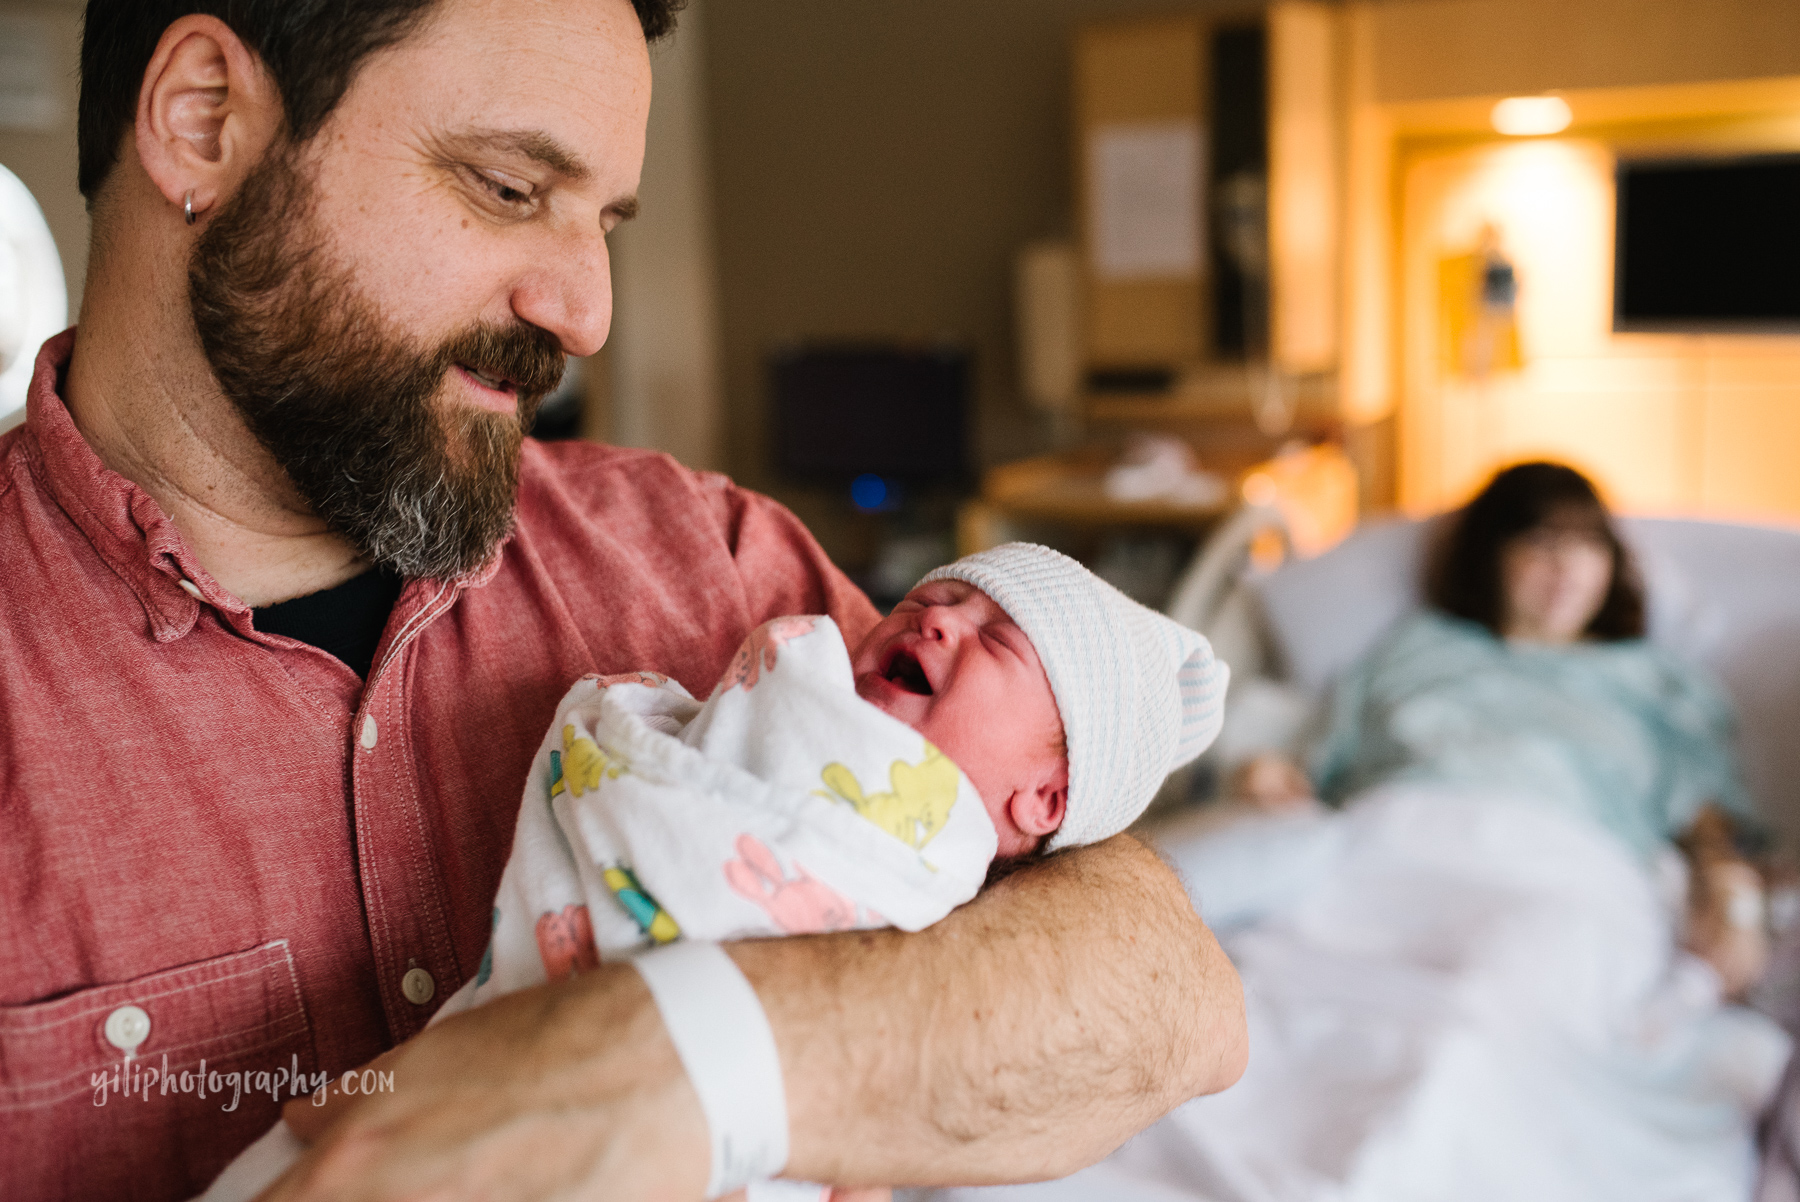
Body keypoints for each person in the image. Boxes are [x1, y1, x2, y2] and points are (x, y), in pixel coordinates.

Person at [0, 2, 1248, 1199]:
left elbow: (1171, 994)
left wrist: (666, 1066)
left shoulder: (697, 556)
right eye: (506, 187)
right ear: (205, 119)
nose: (587, 313)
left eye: (604, 220)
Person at [201, 543, 1230, 1202]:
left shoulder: (937, 851)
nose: (936, 620)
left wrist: (687, 1055)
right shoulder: (818, 675)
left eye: (994, 638)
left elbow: (1195, 1008)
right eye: (935, 596)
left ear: (1044, 805)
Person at [1236, 460, 1769, 993]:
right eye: (1541, 541)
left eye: (1588, 543)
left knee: (1509, 988)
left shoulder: (1650, 678)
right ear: (1491, 555)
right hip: (1399, 838)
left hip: (1567, 863)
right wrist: (1272, 774)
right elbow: (1321, 760)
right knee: (1289, 979)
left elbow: (1706, 819)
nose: (1567, 567)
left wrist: (1732, 893)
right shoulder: (1420, 647)